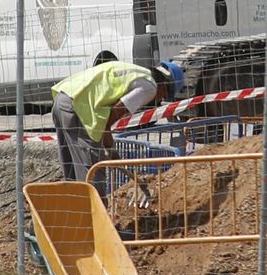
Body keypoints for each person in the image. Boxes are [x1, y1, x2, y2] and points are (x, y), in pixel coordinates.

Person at [50, 60, 183, 199]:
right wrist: (110, 150)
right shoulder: (150, 87)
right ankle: (96, 211)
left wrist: (110, 148)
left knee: (71, 173)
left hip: (62, 100)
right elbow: (112, 116)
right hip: (80, 110)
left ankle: (73, 210)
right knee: (93, 175)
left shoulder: (135, 73)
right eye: (165, 95)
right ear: (165, 85)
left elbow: (105, 120)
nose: (161, 99)